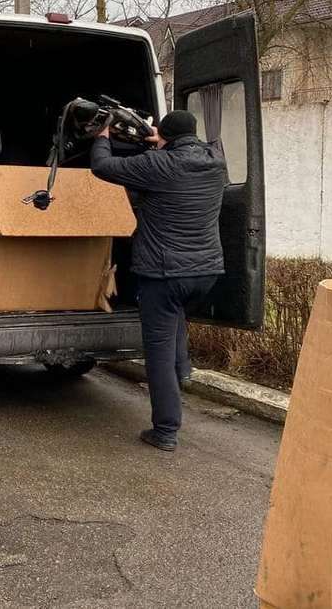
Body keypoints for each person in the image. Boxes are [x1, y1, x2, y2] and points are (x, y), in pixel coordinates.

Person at [89, 110, 226, 452]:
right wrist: (161, 139)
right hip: (206, 272)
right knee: (176, 318)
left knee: (158, 353)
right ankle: (183, 373)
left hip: (165, 274)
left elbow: (102, 167)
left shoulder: (159, 165)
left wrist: (103, 137)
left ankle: (165, 430)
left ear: (164, 136)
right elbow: (183, 148)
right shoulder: (215, 161)